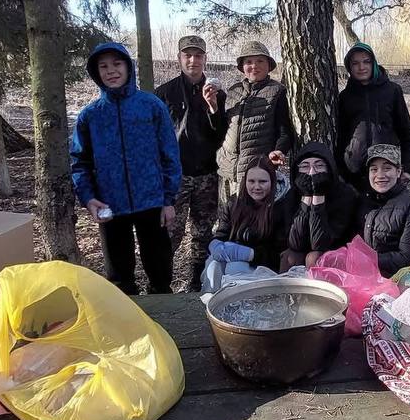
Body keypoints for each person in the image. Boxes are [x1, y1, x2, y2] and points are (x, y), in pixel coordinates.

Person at [70, 41, 181, 295]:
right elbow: (80, 161)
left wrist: (168, 199)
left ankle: (164, 319)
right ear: (96, 72)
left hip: (152, 201)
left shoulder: (151, 106)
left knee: (160, 270)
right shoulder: (90, 116)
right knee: (119, 277)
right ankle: (127, 324)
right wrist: (88, 198)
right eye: (104, 66)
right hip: (110, 205)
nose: (111, 71)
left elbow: (170, 154)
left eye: (117, 64)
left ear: (128, 67)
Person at [156, 34, 227, 290]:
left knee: (202, 234)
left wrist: (213, 108)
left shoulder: (217, 92)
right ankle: (162, 286)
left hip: (207, 175)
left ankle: (196, 287)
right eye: (188, 55)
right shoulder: (164, 93)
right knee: (169, 235)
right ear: (179, 59)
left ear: (205, 59)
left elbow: (222, 135)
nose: (193, 60)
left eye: (198, 55)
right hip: (176, 176)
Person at [336, 41, 410, 189]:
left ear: (373, 63)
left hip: (385, 171)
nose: (361, 67)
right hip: (354, 174)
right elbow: (341, 137)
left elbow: (407, 133)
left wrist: (408, 168)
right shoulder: (345, 97)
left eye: (366, 61)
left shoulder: (392, 91)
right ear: (349, 67)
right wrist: (341, 171)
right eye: (355, 63)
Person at [218, 40, 293, 201]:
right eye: (249, 62)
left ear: (269, 65)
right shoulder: (233, 91)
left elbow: (284, 130)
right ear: (242, 66)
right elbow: (222, 128)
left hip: (256, 174)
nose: (254, 66)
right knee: (228, 220)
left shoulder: (277, 92)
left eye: (260, 61)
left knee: (254, 221)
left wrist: (279, 150)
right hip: (228, 171)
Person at [280, 142, 358, 270]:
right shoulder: (292, 195)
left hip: (334, 250)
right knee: (290, 256)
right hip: (302, 249)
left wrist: (318, 197)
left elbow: (320, 244)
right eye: (305, 166)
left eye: (319, 166)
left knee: (314, 257)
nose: (311, 172)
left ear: (329, 168)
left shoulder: (344, 195)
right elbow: (295, 243)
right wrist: (306, 198)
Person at [356, 144, 410, 277]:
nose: (380, 175)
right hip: (370, 275)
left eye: (387, 168)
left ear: (398, 171)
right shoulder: (363, 201)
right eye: (374, 169)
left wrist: (370, 260)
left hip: (406, 277)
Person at [209, 155, 288, 272]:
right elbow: (222, 233)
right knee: (213, 265)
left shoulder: (281, 207)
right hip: (229, 259)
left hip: (263, 267)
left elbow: (280, 252)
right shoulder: (234, 203)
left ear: (272, 182)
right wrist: (215, 244)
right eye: (251, 181)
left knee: (235, 268)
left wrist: (251, 254)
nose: (256, 187)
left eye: (263, 182)